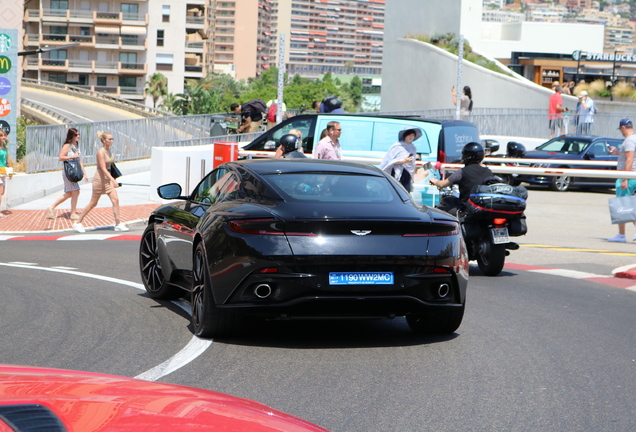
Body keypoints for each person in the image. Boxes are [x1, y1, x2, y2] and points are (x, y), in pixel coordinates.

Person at [73, 131, 129, 233]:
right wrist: (112, 179)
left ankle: (118, 223)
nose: (111, 141)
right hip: (99, 180)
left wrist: (113, 179)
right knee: (93, 203)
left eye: (112, 139)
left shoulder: (109, 151)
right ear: (103, 140)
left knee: (115, 200)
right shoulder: (101, 152)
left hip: (108, 180)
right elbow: (103, 168)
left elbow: (110, 167)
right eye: (109, 139)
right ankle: (78, 222)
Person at [430, 142, 494, 216]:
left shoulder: (462, 171)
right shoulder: (488, 172)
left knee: (445, 204)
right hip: (484, 208)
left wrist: (434, 181)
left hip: (467, 210)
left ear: (466, 156)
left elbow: (442, 184)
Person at [46, 128, 88, 220]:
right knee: (76, 191)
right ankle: (73, 213)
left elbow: (79, 159)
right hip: (69, 171)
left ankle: (51, 207)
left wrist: (84, 172)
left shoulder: (76, 145)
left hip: (75, 170)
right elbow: (61, 157)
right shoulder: (67, 146)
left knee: (69, 193)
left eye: (79, 134)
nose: (78, 136)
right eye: (77, 135)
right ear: (72, 136)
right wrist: (71, 156)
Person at [607, 118, 636, 243]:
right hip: (633, 175)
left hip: (628, 175)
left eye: (620, 129)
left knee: (621, 205)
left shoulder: (629, 140)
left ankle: (621, 235)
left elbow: (629, 159)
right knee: (632, 206)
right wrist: (617, 152)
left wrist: (624, 178)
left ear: (623, 128)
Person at [379, 128, 422, 192]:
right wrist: (403, 161)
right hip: (396, 171)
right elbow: (390, 160)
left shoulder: (413, 147)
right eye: (409, 135)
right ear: (405, 135)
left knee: (406, 191)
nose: (411, 137)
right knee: (396, 189)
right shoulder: (397, 146)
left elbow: (412, 163)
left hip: (407, 172)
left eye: (413, 135)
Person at [0, 129, 13, 218]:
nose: (3, 137)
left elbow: (6, 159)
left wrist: (9, 170)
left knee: (2, 192)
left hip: (3, 171)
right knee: (0, 191)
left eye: (4, 135)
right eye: (1, 136)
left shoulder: (5, 146)